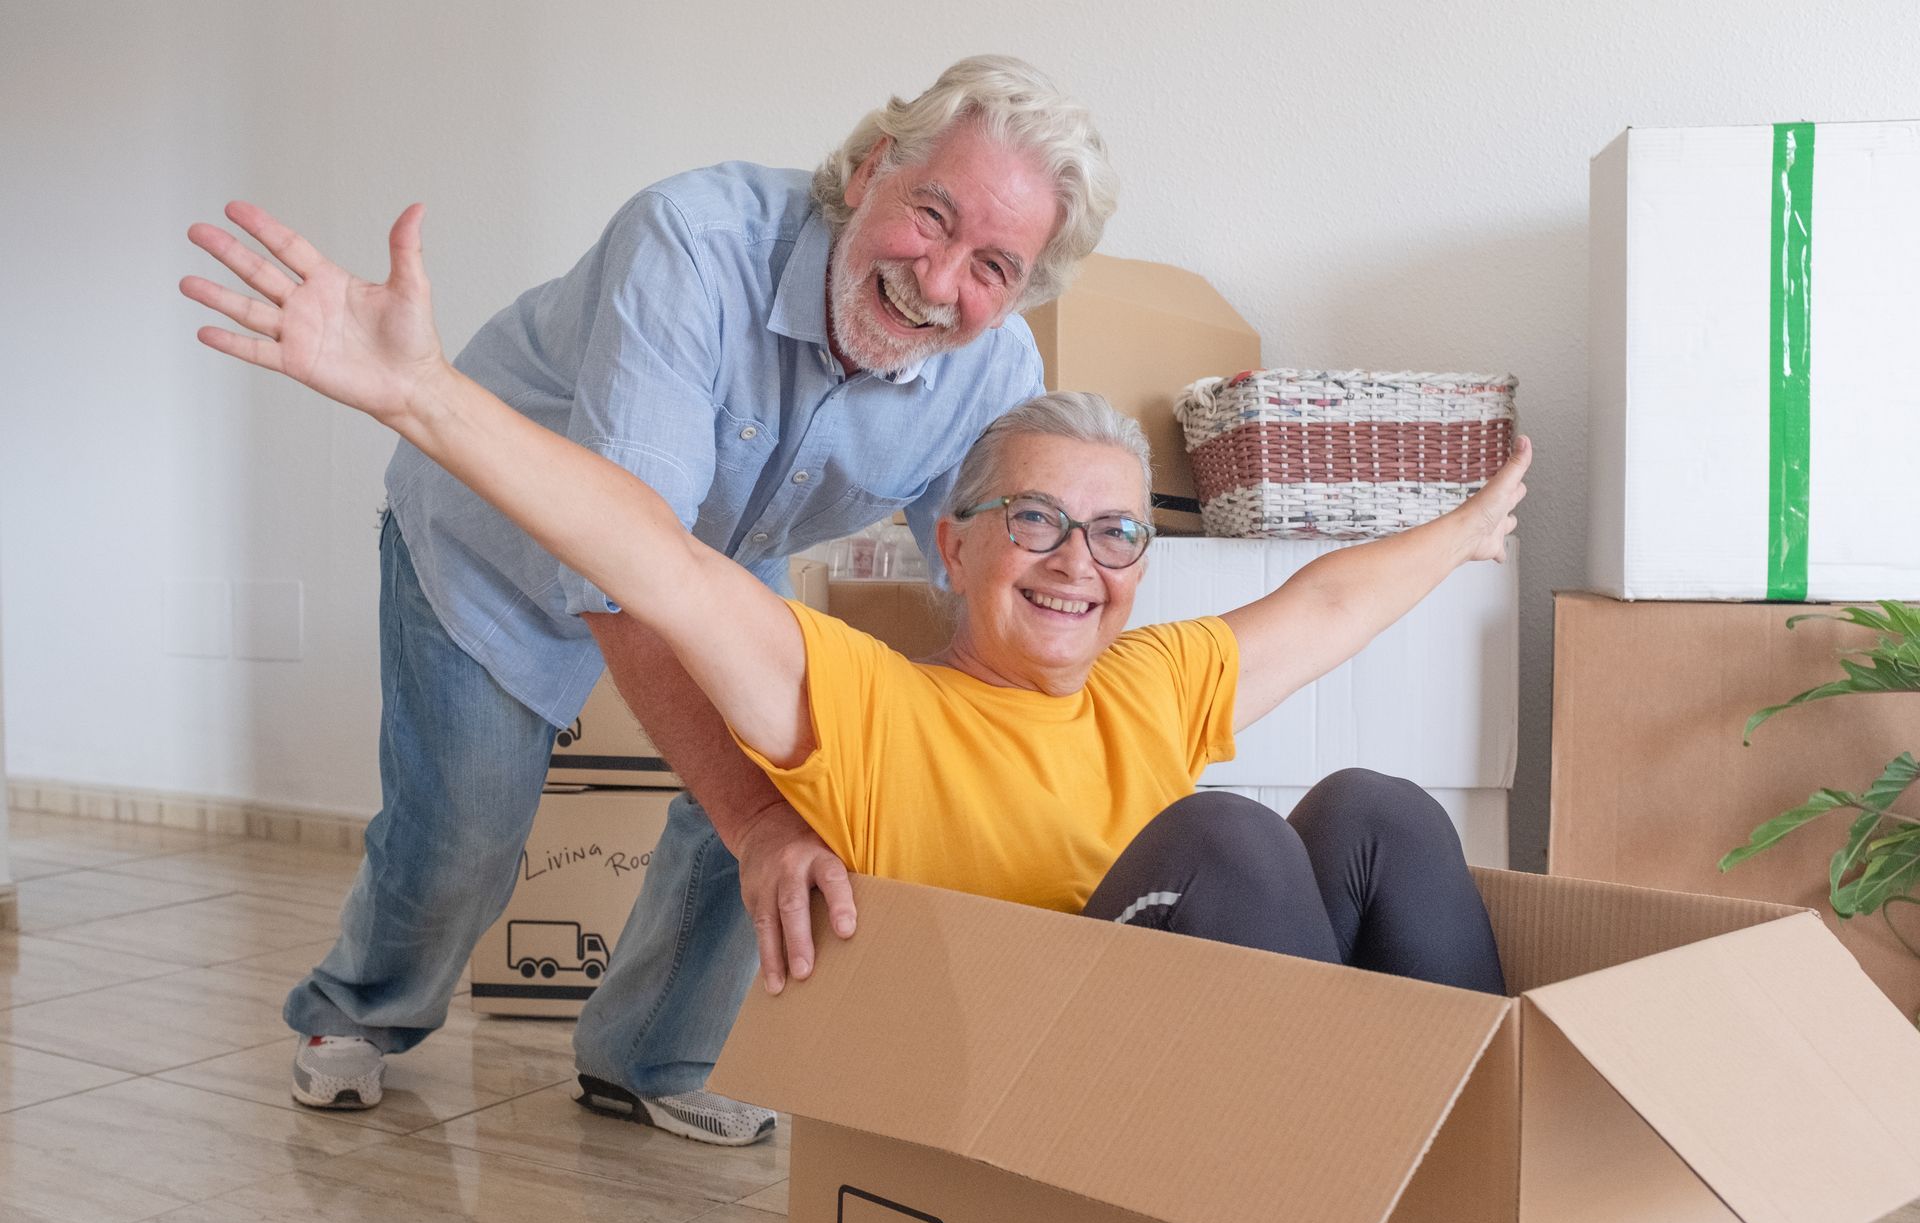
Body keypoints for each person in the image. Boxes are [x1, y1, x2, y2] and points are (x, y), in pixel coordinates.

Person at [184, 214, 1533, 1033]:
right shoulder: (871, 702)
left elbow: (1328, 601)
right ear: (954, 542)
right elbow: (651, 561)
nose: (1081, 563)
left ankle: (1475, 1168)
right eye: (1038, 521)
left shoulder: (1156, 678)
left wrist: (1466, 531)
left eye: (1117, 531)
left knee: (1380, 810)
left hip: (1203, 1025)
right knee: (1231, 833)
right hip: (1050, 1066)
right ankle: (1316, 1185)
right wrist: (419, 394)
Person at [179, 55, 1118, 1144]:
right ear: (871, 171)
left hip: (713, 561)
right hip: (493, 541)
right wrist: (755, 819)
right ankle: (357, 1010)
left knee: (821, 763)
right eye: (932, 216)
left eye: (993, 264)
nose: (940, 280)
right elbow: (623, 569)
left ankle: (647, 1052)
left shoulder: (989, 368)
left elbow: (986, 586)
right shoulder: (693, 243)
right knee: (469, 834)